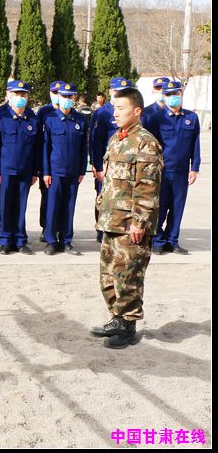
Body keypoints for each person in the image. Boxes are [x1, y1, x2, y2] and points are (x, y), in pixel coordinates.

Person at [90, 86, 162, 349]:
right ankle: (116, 318)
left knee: (128, 275)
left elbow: (147, 187)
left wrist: (139, 222)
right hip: (112, 220)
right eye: (114, 108)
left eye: (121, 108)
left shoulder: (146, 142)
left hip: (131, 224)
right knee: (109, 275)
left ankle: (128, 326)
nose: (115, 113)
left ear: (137, 111)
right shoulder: (116, 139)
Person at [0, 80, 42, 255]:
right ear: (9, 95)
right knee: (5, 205)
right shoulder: (0, 116)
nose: (19, 97)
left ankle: (20, 240)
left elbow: (37, 148)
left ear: (28, 97)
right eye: (16, 94)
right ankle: (5, 239)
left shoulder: (33, 119)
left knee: (21, 206)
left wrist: (35, 171)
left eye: (23, 94)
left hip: (25, 170)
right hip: (5, 170)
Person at [150, 80, 200, 255]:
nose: (172, 97)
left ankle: (173, 241)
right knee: (160, 207)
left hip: (181, 171)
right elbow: (151, 146)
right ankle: (157, 241)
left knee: (177, 208)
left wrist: (194, 168)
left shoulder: (191, 118)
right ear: (164, 96)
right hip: (162, 171)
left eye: (175, 94)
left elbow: (195, 145)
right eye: (168, 94)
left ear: (181, 94)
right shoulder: (156, 118)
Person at [40, 82, 86, 255]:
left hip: (73, 172)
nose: (67, 99)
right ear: (58, 97)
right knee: (52, 207)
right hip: (55, 172)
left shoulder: (80, 120)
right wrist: (46, 172)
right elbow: (45, 148)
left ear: (74, 97)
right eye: (63, 96)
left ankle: (66, 241)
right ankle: (51, 241)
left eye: (69, 96)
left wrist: (82, 170)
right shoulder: (50, 119)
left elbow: (83, 148)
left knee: (69, 207)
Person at [90, 78, 132, 243]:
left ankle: (120, 229)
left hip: (126, 165)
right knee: (103, 198)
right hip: (107, 165)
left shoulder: (133, 111)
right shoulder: (102, 113)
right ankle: (102, 231)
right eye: (117, 91)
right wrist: (97, 166)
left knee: (123, 198)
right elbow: (95, 142)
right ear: (111, 92)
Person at [36, 81, 65, 233]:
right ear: (50, 93)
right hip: (46, 162)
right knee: (47, 197)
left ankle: (59, 227)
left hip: (62, 163)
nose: (57, 96)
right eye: (54, 93)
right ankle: (46, 227)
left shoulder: (71, 113)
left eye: (60, 93)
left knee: (62, 199)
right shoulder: (43, 112)